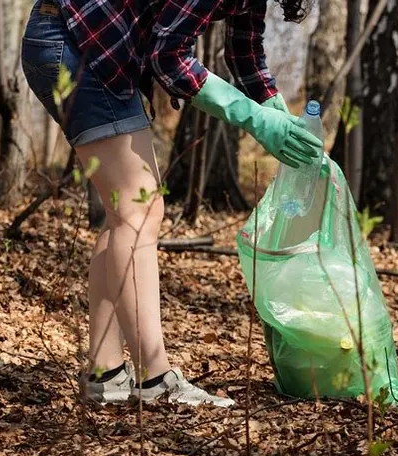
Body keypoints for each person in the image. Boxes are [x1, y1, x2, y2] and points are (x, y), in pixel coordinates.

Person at [20, 0, 322, 405]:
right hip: (76, 43)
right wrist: (252, 117)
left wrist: (273, 109)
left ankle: (105, 372)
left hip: (84, 43)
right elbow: (168, 57)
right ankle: (155, 379)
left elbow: (245, 50)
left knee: (124, 216)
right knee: (138, 211)